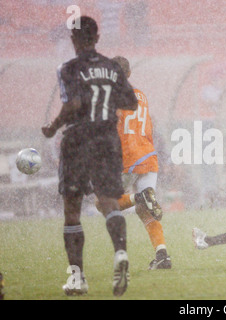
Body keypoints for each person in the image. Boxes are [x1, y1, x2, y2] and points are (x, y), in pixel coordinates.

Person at [41, 16, 138, 296]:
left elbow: (73, 105)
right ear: (97, 38)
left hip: (78, 140)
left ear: (73, 40)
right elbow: (130, 102)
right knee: (109, 201)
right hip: (107, 139)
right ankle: (120, 252)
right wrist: (107, 99)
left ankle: (77, 277)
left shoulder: (69, 68)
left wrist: (53, 127)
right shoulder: (111, 66)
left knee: (72, 209)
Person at [109, 56, 171, 270]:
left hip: (128, 157)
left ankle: (139, 196)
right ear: (129, 74)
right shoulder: (141, 96)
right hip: (148, 155)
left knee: (103, 204)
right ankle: (162, 255)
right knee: (144, 211)